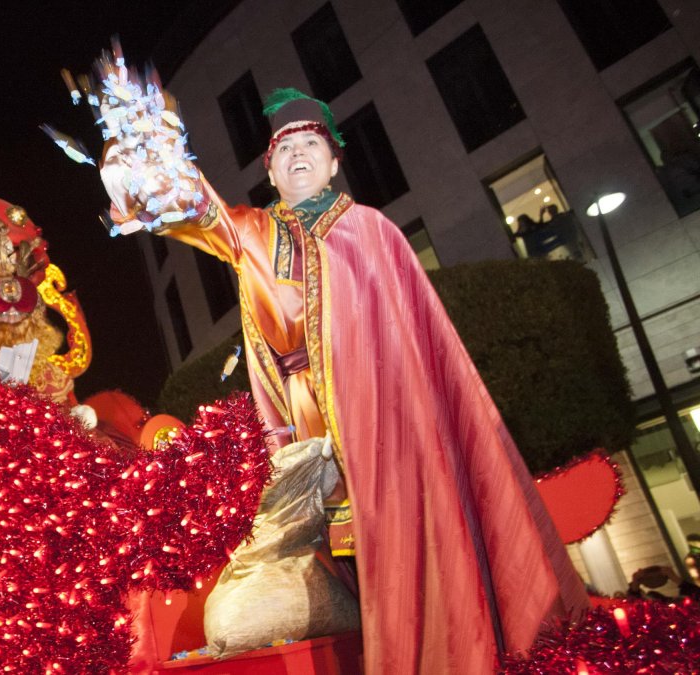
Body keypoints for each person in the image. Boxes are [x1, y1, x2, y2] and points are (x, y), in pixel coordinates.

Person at [86, 65, 589, 674]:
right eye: (285, 150)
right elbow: (195, 208)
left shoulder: (372, 230)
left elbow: (410, 344)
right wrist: (146, 148)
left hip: (384, 417)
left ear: (333, 163)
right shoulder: (255, 231)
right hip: (301, 423)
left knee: (405, 546)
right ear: (270, 171)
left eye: (311, 145)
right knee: (333, 561)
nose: (298, 154)